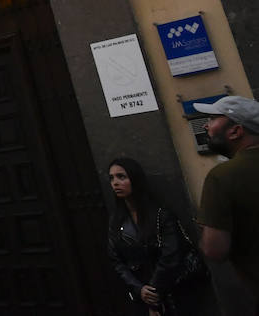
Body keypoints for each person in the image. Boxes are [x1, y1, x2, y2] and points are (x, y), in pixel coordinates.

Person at [106, 157, 206, 314]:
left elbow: (171, 255)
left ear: (135, 179)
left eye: (121, 177)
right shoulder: (116, 220)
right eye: (111, 178)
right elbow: (116, 260)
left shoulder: (161, 215)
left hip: (175, 291)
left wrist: (153, 292)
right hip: (142, 291)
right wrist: (139, 289)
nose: (115, 183)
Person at [195, 95, 259, 304]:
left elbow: (214, 250)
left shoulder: (222, 177)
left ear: (235, 131)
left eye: (213, 119)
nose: (206, 125)